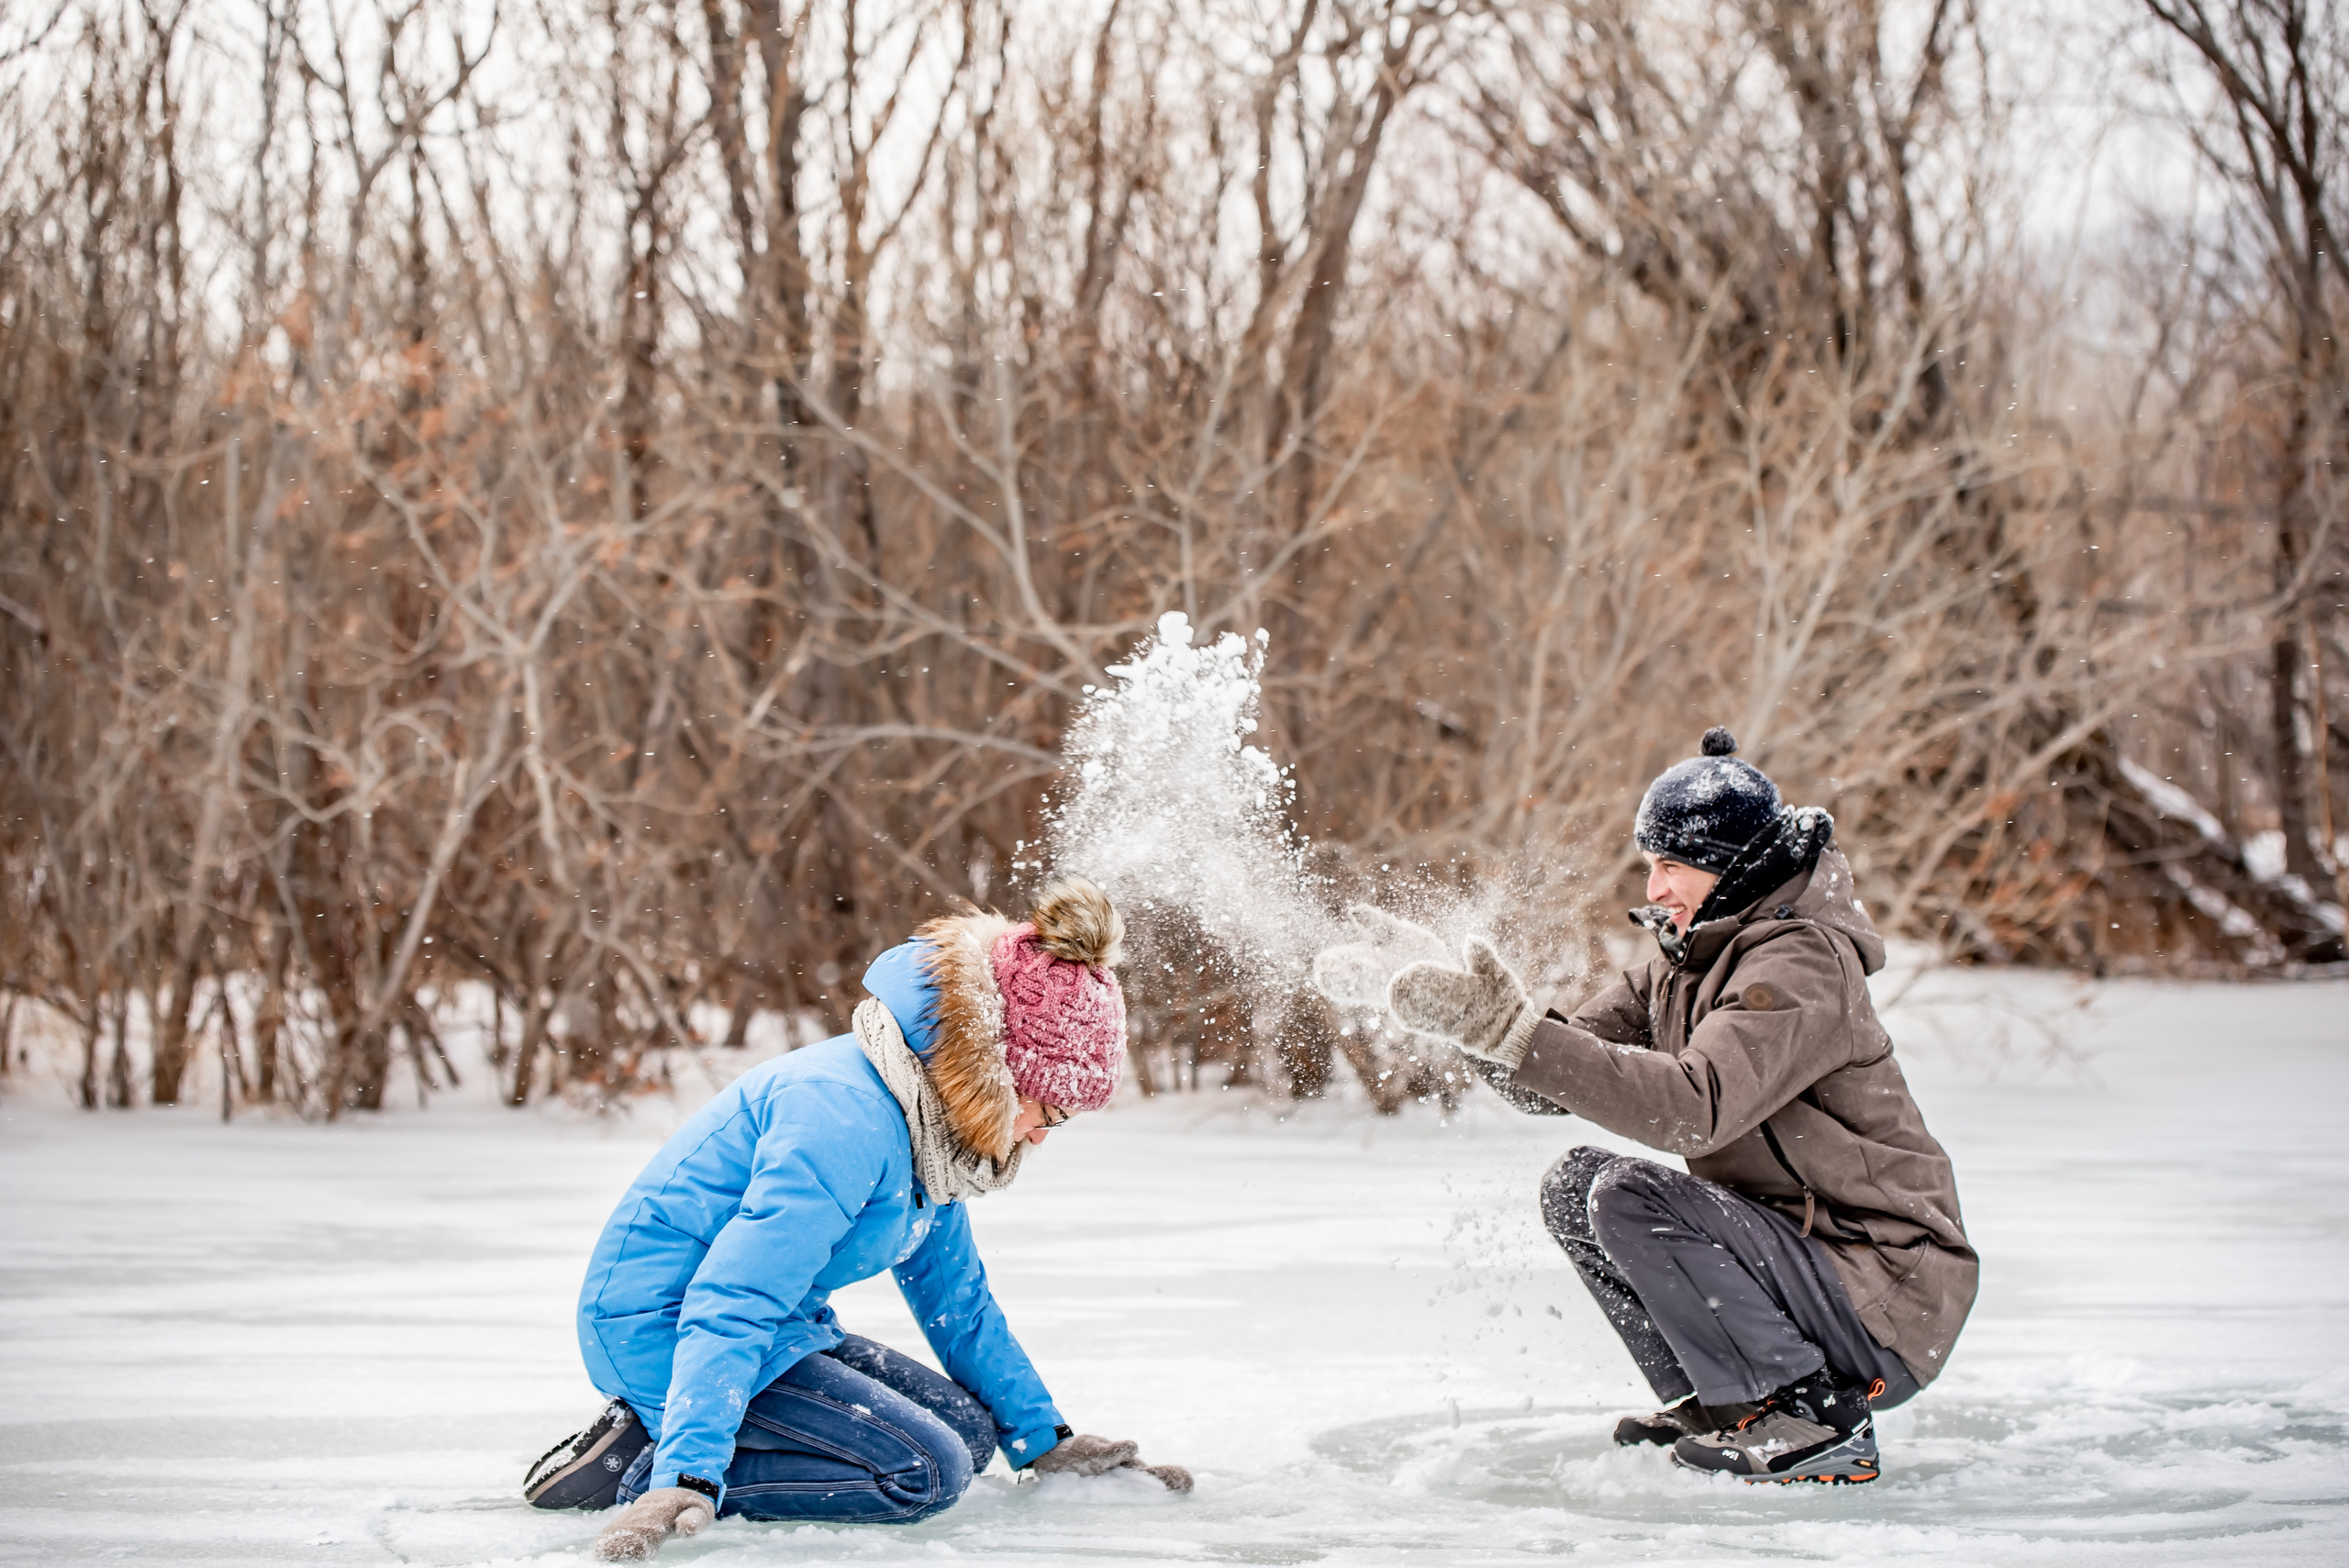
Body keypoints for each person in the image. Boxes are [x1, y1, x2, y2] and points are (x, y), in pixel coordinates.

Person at [1314, 728, 1976, 1485]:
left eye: (1671, 866)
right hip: (1807, 1265)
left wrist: (1512, 1034)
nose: (1653, 888)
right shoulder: (1680, 967)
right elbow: (1545, 1075)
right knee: (1576, 1185)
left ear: (1731, 869)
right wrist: (1463, 1018)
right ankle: (1725, 1400)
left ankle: (1807, 1413)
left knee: (1629, 1194)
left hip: (1885, 1287)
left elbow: (1695, 1107)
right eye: (1649, 866)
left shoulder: (1799, 965)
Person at [523, 877, 1189, 1562]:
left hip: (776, 1325)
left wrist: (1046, 1440)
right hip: (659, 1323)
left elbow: (957, 1301)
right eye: (1044, 1112)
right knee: (925, 1471)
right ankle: (639, 1465)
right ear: (995, 1073)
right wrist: (684, 1474)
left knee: (967, 1431)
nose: (1041, 1136)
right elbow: (733, 1294)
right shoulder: (842, 1117)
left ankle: (704, 1441)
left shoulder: (932, 1126)